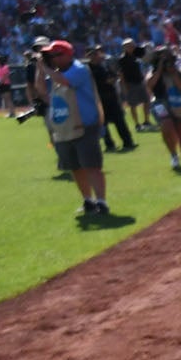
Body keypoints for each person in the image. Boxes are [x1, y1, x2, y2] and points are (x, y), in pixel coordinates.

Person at [39, 38, 113, 226]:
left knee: (92, 166)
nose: (53, 59)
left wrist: (46, 68)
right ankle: (88, 200)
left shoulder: (79, 69)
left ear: (68, 54)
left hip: (85, 125)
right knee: (75, 167)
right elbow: (40, 89)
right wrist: (40, 68)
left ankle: (102, 202)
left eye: (56, 55)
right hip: (66, 126)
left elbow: (65, 82)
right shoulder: (57, 73)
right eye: (50, 56)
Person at [146, 46, 181, 172]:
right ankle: (174, 155)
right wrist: (159, 69)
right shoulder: (152, 72)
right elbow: (149, 86)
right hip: (160, 102)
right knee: (166, 126)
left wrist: (173, 73)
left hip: (179, 102)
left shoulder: (180, 72)